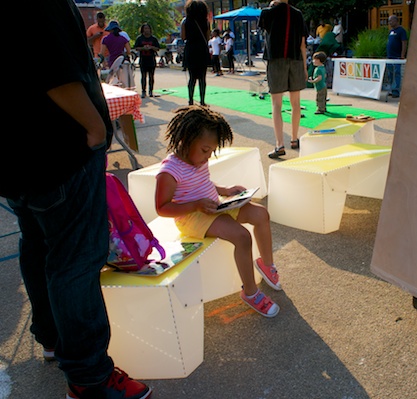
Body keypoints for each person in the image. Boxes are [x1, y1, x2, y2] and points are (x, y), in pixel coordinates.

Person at [1, 0, 152, 398]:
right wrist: (95, 129)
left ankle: (52, 338)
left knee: (38, 246)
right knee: (74, 261)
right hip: (58, 151)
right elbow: (56, 73)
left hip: (19, 156)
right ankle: (89, 377)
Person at [155, 105, 282, 318]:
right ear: (186, 139)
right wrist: (195, 206)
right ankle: (250, 293)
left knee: (261, 214)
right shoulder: (169, 171)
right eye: (205, 150)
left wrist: (226, 191)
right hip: (192, 217)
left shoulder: (197, 159)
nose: (208, 156)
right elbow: (162, 208)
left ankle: (266, 264)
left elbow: (203, 182)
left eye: (212, 151)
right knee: (242, 237)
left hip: (213, 206)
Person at [258, 0, 309, 158]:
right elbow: (302, 44)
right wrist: (305, 68)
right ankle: (294, 138)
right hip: (295, 60)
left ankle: (280, 144)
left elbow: (265, 31)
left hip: (276, 60)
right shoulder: (297, 14)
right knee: (296, 103)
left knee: (276, 104)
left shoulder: (267, 13)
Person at [181, 0, 211, 106]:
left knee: (192, 78)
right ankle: (202, 101)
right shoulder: (206, 22)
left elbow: (183, 37)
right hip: (202, 49)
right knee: (202, 78)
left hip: (191, 49)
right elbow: (207, 37)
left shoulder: (185, 21)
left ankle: (191, 100)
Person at [134, 23, 160, 98]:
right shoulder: (140, 38)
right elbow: (136, 48)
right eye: (145, 28)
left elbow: (158, 48)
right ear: (142, 30)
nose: (147, 30)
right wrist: (143, 48)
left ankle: (151, 91)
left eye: (148, 28)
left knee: (151, 77)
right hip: (143, 59)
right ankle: (143, 91)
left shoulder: (153, 39)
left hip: (151, 59)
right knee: (143, 76)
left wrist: (151, 47)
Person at [386, 14, 408, 98]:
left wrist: (402, 55)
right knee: (390, 74)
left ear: (396, 21)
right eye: (389, 21)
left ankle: (396, 91)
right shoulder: (391, 31)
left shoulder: (401, 31)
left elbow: (404, 42)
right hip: (390, 57)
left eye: (391, 21)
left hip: (397, 57)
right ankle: (392, 89)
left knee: (396, 74)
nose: (389, 23)